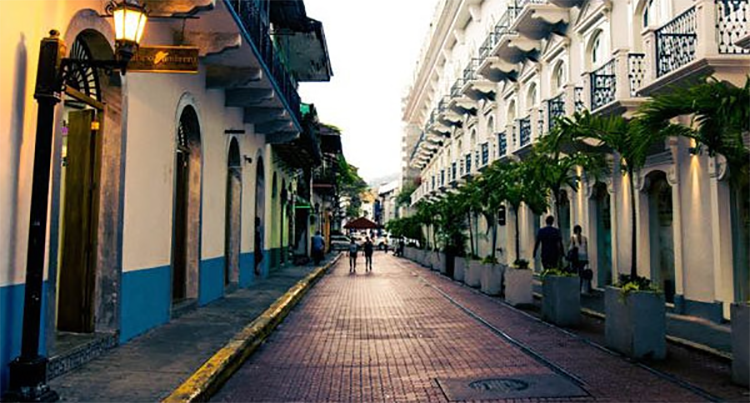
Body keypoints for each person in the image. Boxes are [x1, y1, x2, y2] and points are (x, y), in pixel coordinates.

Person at [569, 225, 591, 293]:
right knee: (581, 273)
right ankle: (579, 288)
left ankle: (576, 288)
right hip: (583, 257)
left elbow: (571, 248)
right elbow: (586, 249)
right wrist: (587, 258)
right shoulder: (584, 238)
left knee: (575, 273)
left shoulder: (573, 238)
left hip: (576, 258)